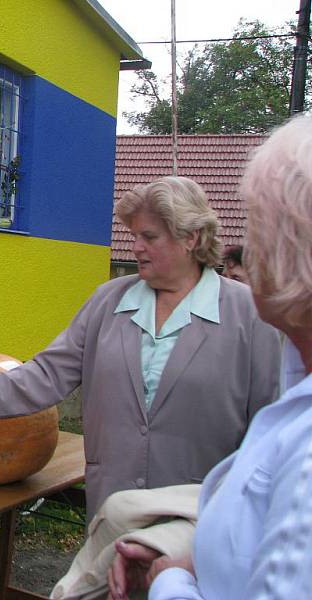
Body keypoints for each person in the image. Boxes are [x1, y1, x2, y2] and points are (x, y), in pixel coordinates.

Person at [0, 175, 281, 521]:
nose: (135, 247)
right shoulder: (109, 300)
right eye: (134, 235)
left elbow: (270, 425)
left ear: (191, 238)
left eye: (148, 237)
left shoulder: (250, 315)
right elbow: (49, 373)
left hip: (201, 516)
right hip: (112, 508)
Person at [107, 114, 312, 599]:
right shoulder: (109, 299)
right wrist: (195, 558)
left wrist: (172, 581)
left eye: (260, 224)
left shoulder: (248, 317)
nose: (246, 249)